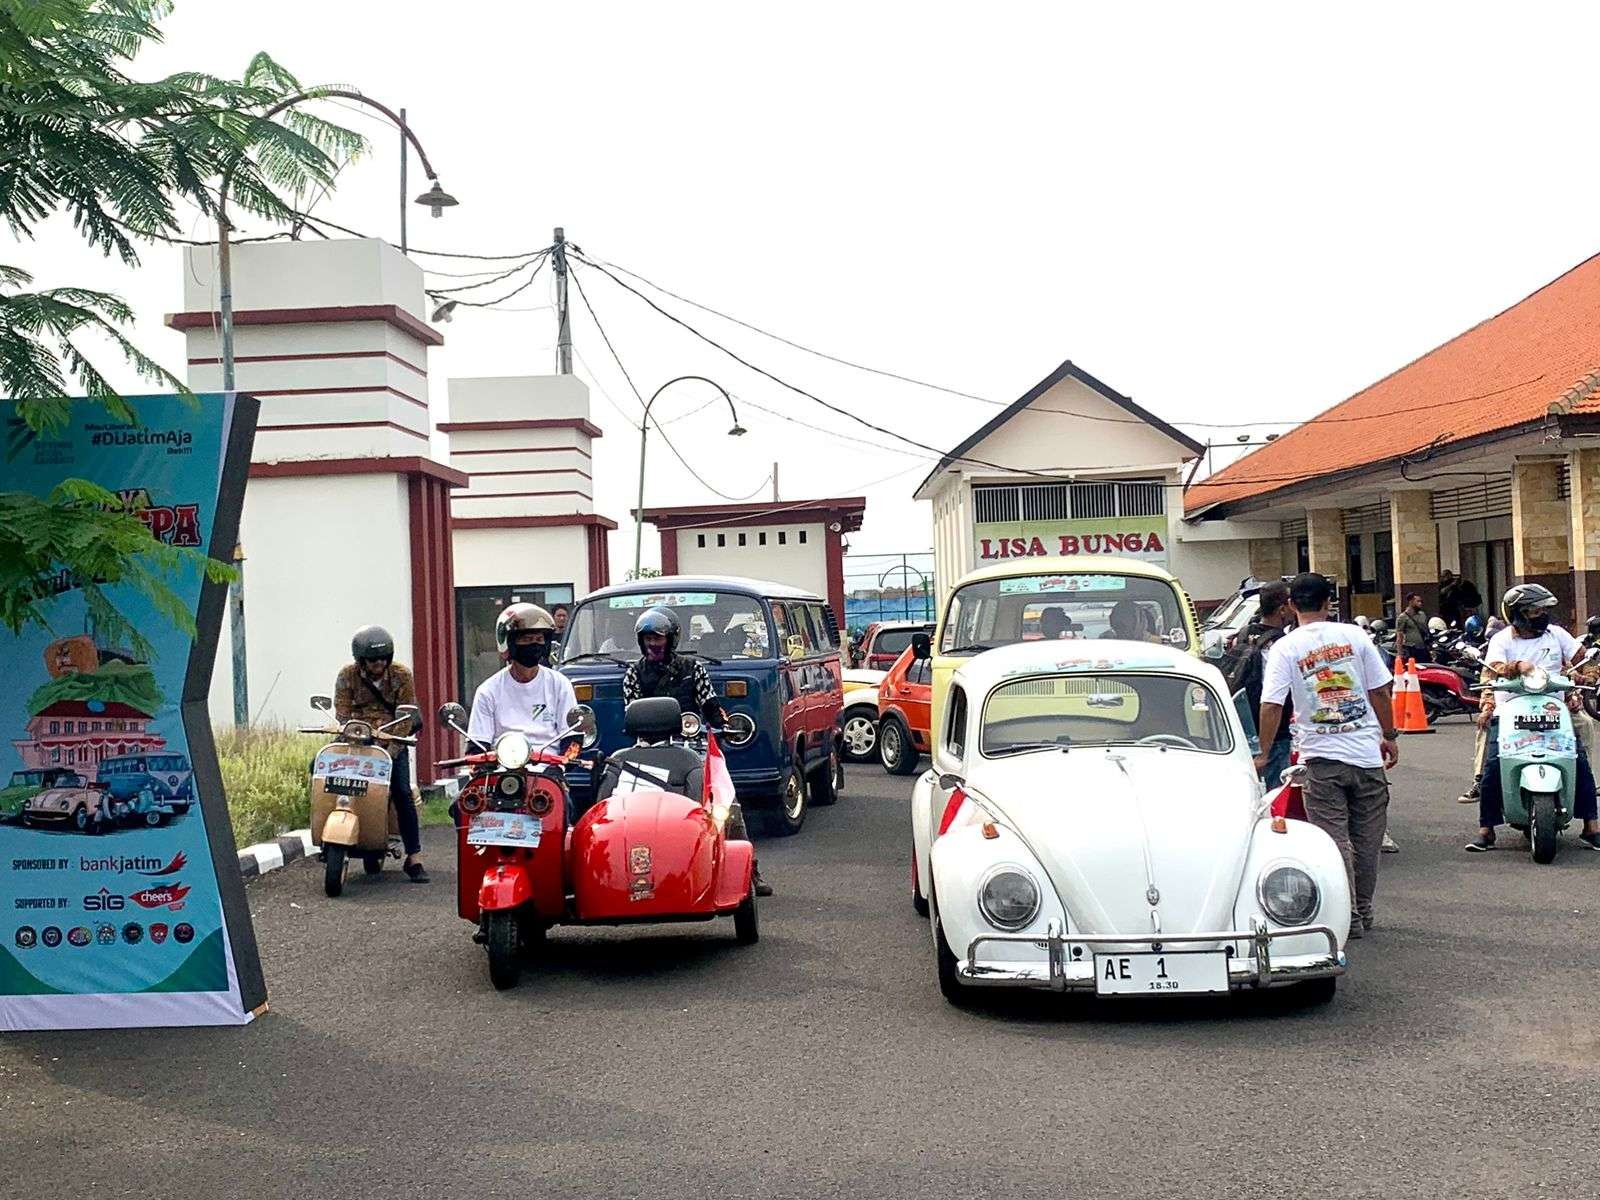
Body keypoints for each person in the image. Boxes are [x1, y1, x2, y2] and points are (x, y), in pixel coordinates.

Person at [1255, 573, 1398, 939]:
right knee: (1367, 841)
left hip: (1320, 760)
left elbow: (1272, 704)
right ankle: (1363, 910)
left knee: (1333, 841)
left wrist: (1264, 752)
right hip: (1366, 757)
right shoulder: (1355, 635)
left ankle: (1347, 914)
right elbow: (1380, 691)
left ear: (1291, 605)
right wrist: (1389, 735)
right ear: (1328, 603)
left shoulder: (1285, 648)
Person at [622, 608, 772, 896]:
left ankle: (749, 870)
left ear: (671, 639)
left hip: (693, 749)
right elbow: (631, 714)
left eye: (659, 637)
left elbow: (712, 706)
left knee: (727, 803)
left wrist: (725, 725)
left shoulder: (693, 669)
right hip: (649, 752)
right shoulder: (633, 674)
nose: (653, 643)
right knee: (632, 810)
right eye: (648, 638)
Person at [1465, 584, 1600, 851]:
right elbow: (1493, 671)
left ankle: (1591, 827)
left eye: (1542, 610)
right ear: (1518, 614)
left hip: (1552, 709)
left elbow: (1582, 660)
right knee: (1493, 766)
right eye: (1535, 610)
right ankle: (1486, 830)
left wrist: (1589, 676)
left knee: (1580, 761)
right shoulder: (1502, 640)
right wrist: (1517, 668)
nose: (1541, 615)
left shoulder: (1556, 635)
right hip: (1509, 711)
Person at [334, 625, 427, 883]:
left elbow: (407, 715)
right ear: (360, 660)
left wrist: (392, 750)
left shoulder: (401, 675)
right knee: (317, 769)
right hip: (356, 737)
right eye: (373, 659)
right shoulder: (347, 676)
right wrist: (349, 736)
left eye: (383, 658)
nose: (379, 663)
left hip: (391, 739)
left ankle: (414, 856)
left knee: (402, 791)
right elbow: (342, 713)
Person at [467, 602, 582, 765]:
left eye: (539, 639)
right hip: (502, 771)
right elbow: (476, 747)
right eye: (527, 639)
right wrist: (483, 769)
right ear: (509, 642)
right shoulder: (488, 691)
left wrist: (561, 767)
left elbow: (573, 740)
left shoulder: (559, 684)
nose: (534, 644)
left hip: (549, 771)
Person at [1224, 581, 1293, 786]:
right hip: (1273, 733)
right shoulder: (1281, 645)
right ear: (1282, 609)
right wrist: (1264, 751)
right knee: (1274, 794)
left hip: (1241, 726)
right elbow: (1273, 700)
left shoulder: (1242, 635)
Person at [1396, 594, 1429, 659]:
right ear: (1411, 602)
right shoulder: (1403, 617)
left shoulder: (1422, 615)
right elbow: (1400, 636)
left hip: (1423, 648)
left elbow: (1426, 630)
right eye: (1418, 601)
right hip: (1411, 649)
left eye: (1421, 601)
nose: (1420, 603)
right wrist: (1400, 653)